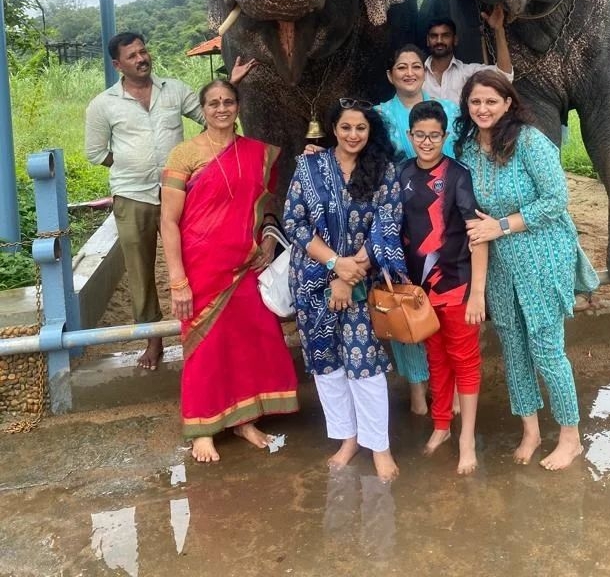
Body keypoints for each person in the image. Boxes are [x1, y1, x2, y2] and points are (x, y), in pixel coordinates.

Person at [456, 69, 599, 471]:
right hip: (499, 259)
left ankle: (570, 437)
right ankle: (531, 430)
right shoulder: (466, 148)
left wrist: (500, 225)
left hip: (541, 252)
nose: (483, 109)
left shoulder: (531, 142)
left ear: (507, 104)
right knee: (513, 345)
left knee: (546, 346)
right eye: (475, 102)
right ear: (467, 106)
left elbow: (556, 200)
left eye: (490, 101)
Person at [85, 32, 253, 370]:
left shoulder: (174, 90)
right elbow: (95, 152)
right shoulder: (103, 104)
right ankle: (153, 338)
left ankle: (204, 326)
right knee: (141, 270)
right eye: (131, 56)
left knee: (193, 260)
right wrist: (130, 165)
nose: (141, 58)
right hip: (133, 196)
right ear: (117, 64)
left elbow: (210, 113)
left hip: (181, 193)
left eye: (143, 51)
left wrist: (229, 84)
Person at [160, 79, 298, 463]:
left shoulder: (256, 152)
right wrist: (177, 281)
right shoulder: (184, 155)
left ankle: (245, 420)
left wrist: (268, 240)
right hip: (202, 269)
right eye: (214, 103)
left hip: (247, 267)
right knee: (204, 347)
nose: (222, 109)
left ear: (238, 107)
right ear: (202, 110)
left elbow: (268, 207)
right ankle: (202, 428)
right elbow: (168, 222)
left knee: (249, 342)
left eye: (229, 102)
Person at [284, 99, 406, 482]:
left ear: (371, 132)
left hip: (361, 279)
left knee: (363, 361)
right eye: (346, 127)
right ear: (333, 128)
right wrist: (335, 265)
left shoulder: (383, 170)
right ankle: (348, 437)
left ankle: (379, 446)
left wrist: (349, 273)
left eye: (361, 128)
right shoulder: (308, 167)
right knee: (326, 362)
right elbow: (295, 222)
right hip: (313, 278)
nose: (354, 135)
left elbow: (387, 224)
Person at [400, 100, 488, 475]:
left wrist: (477, 293)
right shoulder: (401, 173)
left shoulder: (458, 175)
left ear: (445, 136)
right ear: (410, 136)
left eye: (434, 135)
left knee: (464, 360)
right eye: (420, 135)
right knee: (436, 360)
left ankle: (466, 438)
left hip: (457, 287)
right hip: (419, 294)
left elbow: (478, 235)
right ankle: (441, 426)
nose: (427, 141)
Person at [374, 45, 460, 415]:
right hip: (402, 224)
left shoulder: (451, 111)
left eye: (415, 66)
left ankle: (451, 387)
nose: (409, 72)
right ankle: (416, 386)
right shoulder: (379, 116)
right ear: (391, 75)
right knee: (405, 301)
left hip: (447, 219)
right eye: (401, 66)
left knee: (446, 304)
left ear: (424, 72)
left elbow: (462, 161)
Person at [424, 6, 514, 104]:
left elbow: (504, 76)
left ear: (455, 40)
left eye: (445, 36)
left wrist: (499, 30)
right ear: (428, 41)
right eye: (434, 36)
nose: (439, 41)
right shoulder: (416, 74)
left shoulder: (466, 73)